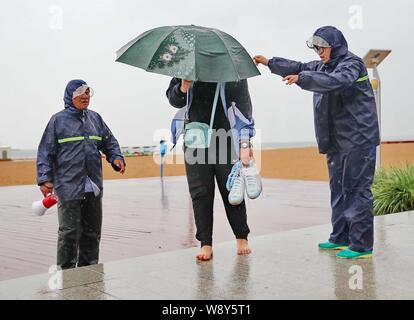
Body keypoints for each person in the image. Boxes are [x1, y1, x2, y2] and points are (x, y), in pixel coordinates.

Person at [254, 26, 379, 259]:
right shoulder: (323, 65)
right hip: (335, 140)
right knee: (338, 189)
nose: (319, 52)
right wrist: (270, 62)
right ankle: (340, 238)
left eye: (322, 47)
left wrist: (302, 79)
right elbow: (300, 67)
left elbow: (336, 81)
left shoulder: (351, 65)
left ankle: (362, 246)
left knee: (357, 189)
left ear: (335, 46)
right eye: (316, 48)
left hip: (357, 139)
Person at [36, 79, 126, 269]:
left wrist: (116, 157)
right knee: (69, 232)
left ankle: (89, 270)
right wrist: (45, 179)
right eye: (81, 93)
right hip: (68, 186)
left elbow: (109, 142)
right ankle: (66, 272)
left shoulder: (96, 119)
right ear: (70, 96)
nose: (85, 96)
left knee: (92, 232)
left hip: (92, 186)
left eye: (88, 92)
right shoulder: (57, 120)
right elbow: (45, 151)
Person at [166, 78, 258, 260]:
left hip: (225, 137)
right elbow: (173, 99)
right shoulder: (187, 66)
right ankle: (205, 243)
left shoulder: (232, 70)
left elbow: (244, 108)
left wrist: (245, 142)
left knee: (231, 188)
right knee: (200, 192)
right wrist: (184, 86)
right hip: (195, 137)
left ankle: (241, 237)